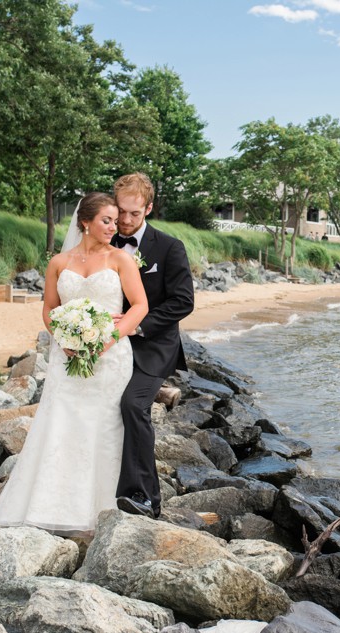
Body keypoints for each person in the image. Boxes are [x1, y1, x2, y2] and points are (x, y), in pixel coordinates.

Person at [0, 193, 148, 537]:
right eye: (106, 220)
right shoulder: (59, 262)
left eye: (115, 221)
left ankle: (99, 509)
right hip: (66, 356)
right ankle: (48, 505)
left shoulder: (122, 260)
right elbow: (49, 310)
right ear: (84, 222)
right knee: (59, 423)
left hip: (110, 357)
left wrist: (109, 337)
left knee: (102, 427)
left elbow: (140, 306)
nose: (113, 227)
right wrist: (65, 340)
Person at [111, 173, 195, 519]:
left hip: (152, 347)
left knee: (133, 405)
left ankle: (146, 497)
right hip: (106, 346)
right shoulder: (104, 241)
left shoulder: (169, 248)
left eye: (134, 213)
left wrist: (136, 326)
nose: (126, 221)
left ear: (148, 208)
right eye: (121, 213)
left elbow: (182, 302)